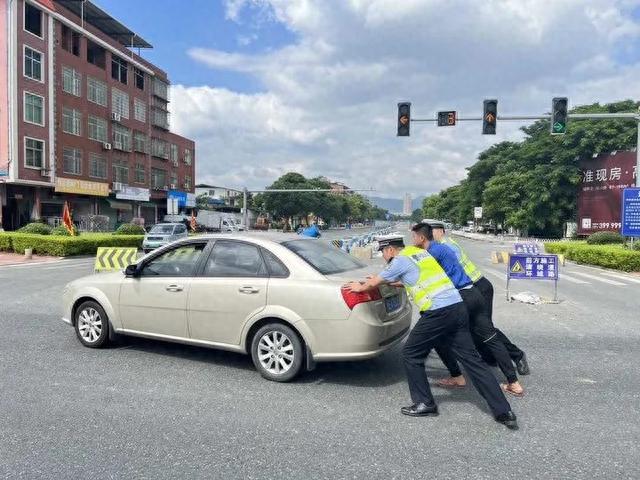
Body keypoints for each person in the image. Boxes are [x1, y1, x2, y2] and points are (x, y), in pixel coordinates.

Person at [344, 235, 518, 429]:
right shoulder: (420, 254)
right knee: (472, 360)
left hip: (438, 311)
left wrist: (358, 286)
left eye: (383, 253)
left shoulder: (399, 260)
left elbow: (372, 283)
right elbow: (413, 279)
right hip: (458, 306)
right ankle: (504, 411)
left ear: (390, 250)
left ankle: (425, 403)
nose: (384, 257)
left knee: (411, 353)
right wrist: (389, 283)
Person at [411, 223, 524, 397]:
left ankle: (458, 376)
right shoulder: (446, 246)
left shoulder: (432, 254)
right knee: (490, 337)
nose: (412, 240)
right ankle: (513, 383)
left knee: (450, 338)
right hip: (474, 292)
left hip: (461, 298)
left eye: (414, 237)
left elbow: (421, 276)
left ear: (421, 237)